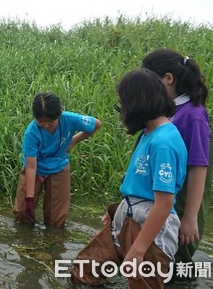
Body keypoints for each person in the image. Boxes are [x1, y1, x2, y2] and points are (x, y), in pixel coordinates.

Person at [71, 68, 187, 288]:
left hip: (151, 227)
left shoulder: (164, 142)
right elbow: (138, 183)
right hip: (129, 217)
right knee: (84, 271)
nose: (122, 111)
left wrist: (138, 249)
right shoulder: (149, 134)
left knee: (143, 283)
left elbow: (164, 203)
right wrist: (116, 211)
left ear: (137, 103)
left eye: (122, 104)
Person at [142, 48, 212, 283]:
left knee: (177, 261)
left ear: (168, 79)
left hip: (182, 203)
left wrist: (190, 217)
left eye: (151, 82)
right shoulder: (169, 111)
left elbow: (198, 168)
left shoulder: (193, 115)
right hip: (164, 200)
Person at [13, 92, 101, 227]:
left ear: (59, 114)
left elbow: (96, 124)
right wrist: (30, 200)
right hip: (35, 169)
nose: (46, 125)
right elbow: (31, 167)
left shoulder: (70, 119)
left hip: (59, 167)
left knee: (56, 218)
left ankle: (53, 242)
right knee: (22, 212)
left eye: (50, 121)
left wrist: (72, 142)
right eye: (41, 121)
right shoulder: (31, 133)